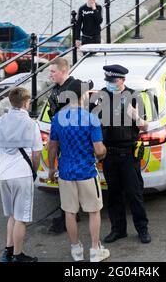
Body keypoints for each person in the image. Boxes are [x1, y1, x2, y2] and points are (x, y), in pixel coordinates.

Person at [47, 79, 110, 262]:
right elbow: (99, 150)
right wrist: (103, 153)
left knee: (69, 212)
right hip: (86, 172)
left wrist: (52, 167)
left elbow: (52, 147)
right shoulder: (91, 119)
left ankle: (76, 250)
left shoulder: (57, 118)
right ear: (82, 95)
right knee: (94, 211)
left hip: (66, 171)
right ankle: (95, 250)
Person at [96, 64, 151, 244]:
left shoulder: (134, 97)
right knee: (114, 194)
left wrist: (135, 116)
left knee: (134, 194)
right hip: (109, 154)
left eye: (113, 80)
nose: (110, 83)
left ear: (123, 80)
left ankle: (142, 229)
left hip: (128, 153)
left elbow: (145, 126)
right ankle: (118, 230)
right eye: (108, 80)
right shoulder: (101, 96)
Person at [0, 87, 42, 262]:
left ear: (11, 101)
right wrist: (34, 170)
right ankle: (18, 255)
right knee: (21, 218)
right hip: (22, 174)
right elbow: (37, 153)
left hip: (4, 174)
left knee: (12, 215)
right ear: (26, 103)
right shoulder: (31, 124)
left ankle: (8, 251)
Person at [46, 58, 76, 235]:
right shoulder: (57, 89)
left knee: (68, 179)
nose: (50, 75)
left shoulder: (74, 87)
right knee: (65, 180)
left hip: (71, 142)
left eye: (52, 72)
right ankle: (68, 212)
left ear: (63, 71)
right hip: (61, 139)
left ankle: (68, 214)